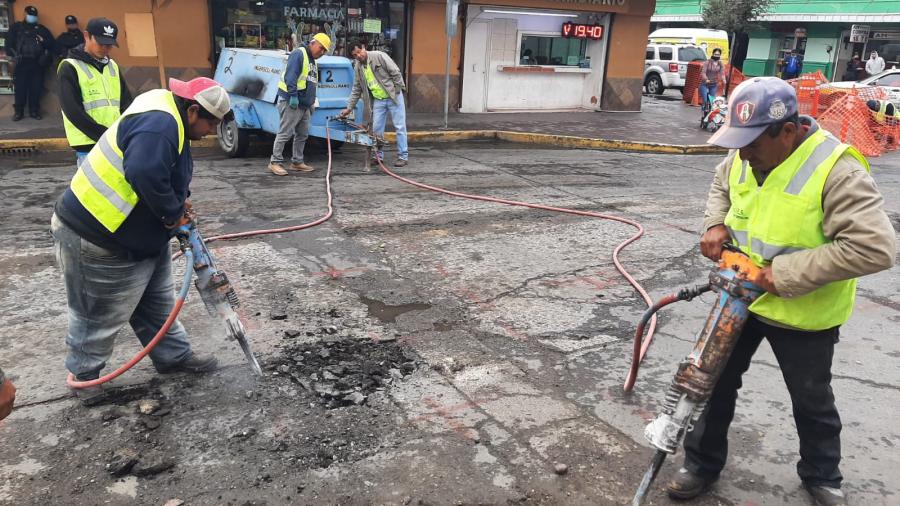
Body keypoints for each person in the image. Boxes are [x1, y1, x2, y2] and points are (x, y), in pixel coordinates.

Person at [665, 77, 895, 506]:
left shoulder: (836, 169)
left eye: (752, 145)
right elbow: (722, 184)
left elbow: (875, 248)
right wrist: (714, 222)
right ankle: (700, 464)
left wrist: (783, 273)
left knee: (811, 398)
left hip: (802, 310)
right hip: (740, 296)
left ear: (787, 131)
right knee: (712, 384)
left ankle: (822, 475)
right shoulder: (744, 151)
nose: (742, 154)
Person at [51, 77, 232, 406]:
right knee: (98, 313)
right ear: (193, 111)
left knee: (156, 301)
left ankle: (173, 356)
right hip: (98, 234)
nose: (210, 131)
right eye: (211, 123)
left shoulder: (170, 113)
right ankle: (85, 376)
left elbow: (164, 166)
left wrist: (178, 201)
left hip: (139, 234)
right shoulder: (161, 124)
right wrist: (172, 214)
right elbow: (145, 171)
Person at [58, 17, 133, 165]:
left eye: (109, 45)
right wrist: (104, 136)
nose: (105, 48)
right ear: (87, 36)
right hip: (88, 146)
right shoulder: (69, 67)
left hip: (115, 143)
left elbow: (126, 103)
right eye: (101, 43)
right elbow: (73, 111)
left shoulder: (112, 66)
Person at [268, 33, 331, 176]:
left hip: (304, 104)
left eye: (324, 51)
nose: (322, 52)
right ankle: (275, 162)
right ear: (313, 43)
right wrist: (293, 96)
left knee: (302, 134)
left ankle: (297, 161)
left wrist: (311, 102)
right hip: (292, 102)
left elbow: (310, 82)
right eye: (321, 48)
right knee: (285, 133)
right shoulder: (299, 54)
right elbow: (290, 77)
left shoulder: (312, 60)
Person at [340, 41, 409, 167]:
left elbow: (395, 72)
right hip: (378, 100)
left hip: (393, 97)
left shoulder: (379, 56)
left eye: (359, 52)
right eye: (355, 55)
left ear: (364, 47)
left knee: (400, 127)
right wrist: (349, 108)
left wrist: (398, 90)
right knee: (377, 130)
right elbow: (356, 89)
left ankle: (403, 156)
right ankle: (378, 157)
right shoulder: (358, 67)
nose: (358, 56)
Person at [4, 5, 55, 121]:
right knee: (20, 89)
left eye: (34, 15)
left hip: (37, 63)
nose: (32, 17)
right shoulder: (16, 28)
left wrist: (43, 41)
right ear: (25, 14)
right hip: (21, 62)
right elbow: (9, 44)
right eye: (30, 15)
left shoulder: (41, 29)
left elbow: (52, 44)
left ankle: (34, 111)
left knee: (36, 88)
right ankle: (19, 112)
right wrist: (12, 57)